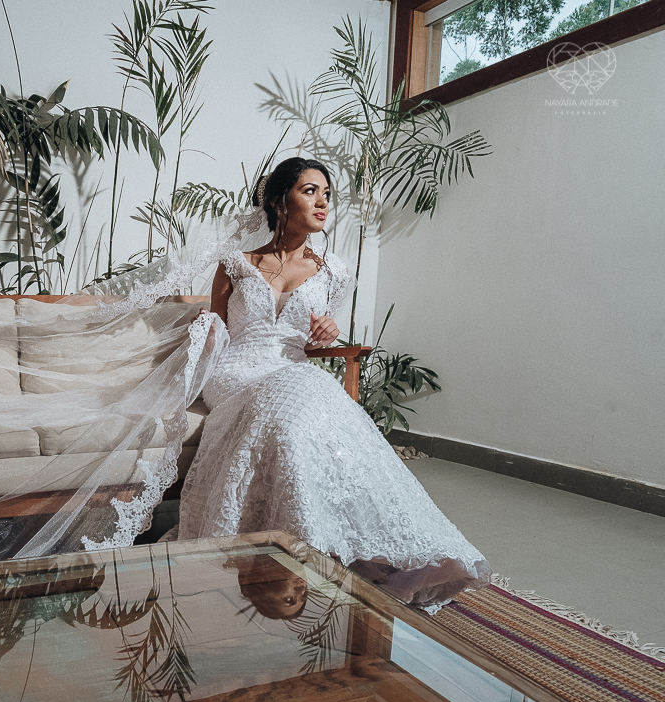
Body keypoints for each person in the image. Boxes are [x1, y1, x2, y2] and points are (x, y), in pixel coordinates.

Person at [176, 156, 490, 613]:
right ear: (280, 201)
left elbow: (317, 332)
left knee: (304, 410)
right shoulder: (236, 264)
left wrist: (327, 332)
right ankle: (306, 543)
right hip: (238, 371)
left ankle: (384, 548)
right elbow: (220, 329)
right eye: (310, 191)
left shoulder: (334, 272)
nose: (323, 202)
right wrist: (204, 331)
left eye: (327, 194)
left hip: (292, 371)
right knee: (304, 396)